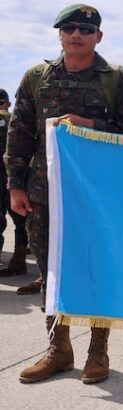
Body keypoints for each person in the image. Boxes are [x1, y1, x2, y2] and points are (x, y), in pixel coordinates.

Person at [5, 4, 123, 385]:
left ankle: (97, 350)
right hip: (43, 193)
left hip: (99, 197)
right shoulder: (37, 78)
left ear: (98, 36)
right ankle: (58, 348)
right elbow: (20, 133)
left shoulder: (116, 80)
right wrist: (15, 185)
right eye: (68, 28)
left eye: (85, 29)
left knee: (99, 269)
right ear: (59, 34)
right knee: (51, 272)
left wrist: (92, 125)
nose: (76, 35)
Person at [1, 88, 30, 277]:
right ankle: (18, 260)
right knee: (21, 221)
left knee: (21, 220)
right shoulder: (14, 118)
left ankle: (19, 260)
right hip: (15, 178)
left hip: (14, 178)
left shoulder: (12, 118)